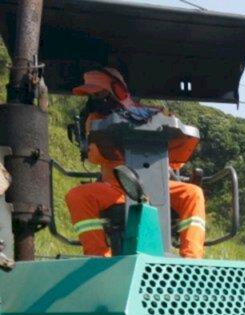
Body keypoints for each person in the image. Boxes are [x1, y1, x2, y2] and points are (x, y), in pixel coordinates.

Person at [64, 67, 206, 258]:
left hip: (159, 185)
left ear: (117, 90)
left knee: (193, 194)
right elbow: (95, 157)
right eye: (92, 95)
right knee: (78, 196)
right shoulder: (95, 121)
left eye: (99, 92)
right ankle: (98, 256)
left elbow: (175, 162)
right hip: (116, 188)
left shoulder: (155, 115)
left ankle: (191, 259)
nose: (95, 98)